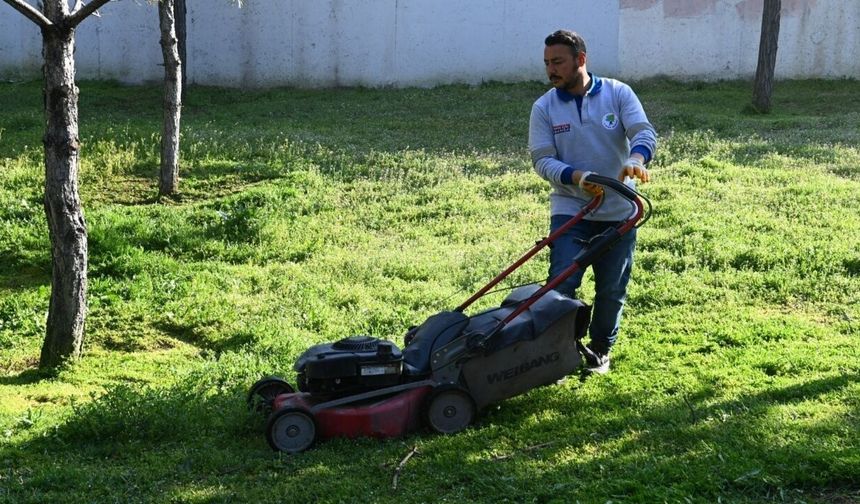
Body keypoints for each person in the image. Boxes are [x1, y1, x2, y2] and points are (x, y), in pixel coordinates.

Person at [528, 29, 657, 374]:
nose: (550, 70)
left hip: (619, 212)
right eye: (547, 63)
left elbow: (643, 133)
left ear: (580, 60)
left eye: (558, 62)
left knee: (612, 290)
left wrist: (637, 160)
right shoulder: (544, 107)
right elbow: (542, 160)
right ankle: (558, 353)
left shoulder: (617, 93)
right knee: (562, 283)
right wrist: (577, 177)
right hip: (571, 210)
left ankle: (600, 351)